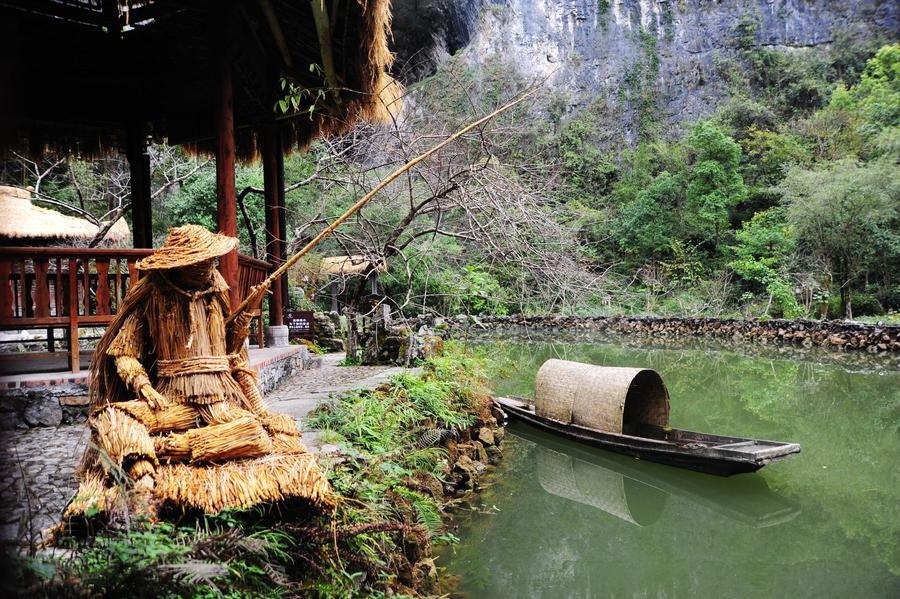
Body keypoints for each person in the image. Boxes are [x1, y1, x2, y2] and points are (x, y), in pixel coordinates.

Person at [66, 225, 331, 520]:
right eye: (203, 261)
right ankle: (142, 476)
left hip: (219, 401)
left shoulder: (216, 294)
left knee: (255, 431)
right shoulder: (154, 295)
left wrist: (242, 322)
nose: (210, 266)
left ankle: (169, 449)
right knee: (115, 418)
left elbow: (233, 356)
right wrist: (142, 385)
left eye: (212, 260)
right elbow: (124, 351)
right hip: (171, 400)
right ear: (182, 265)